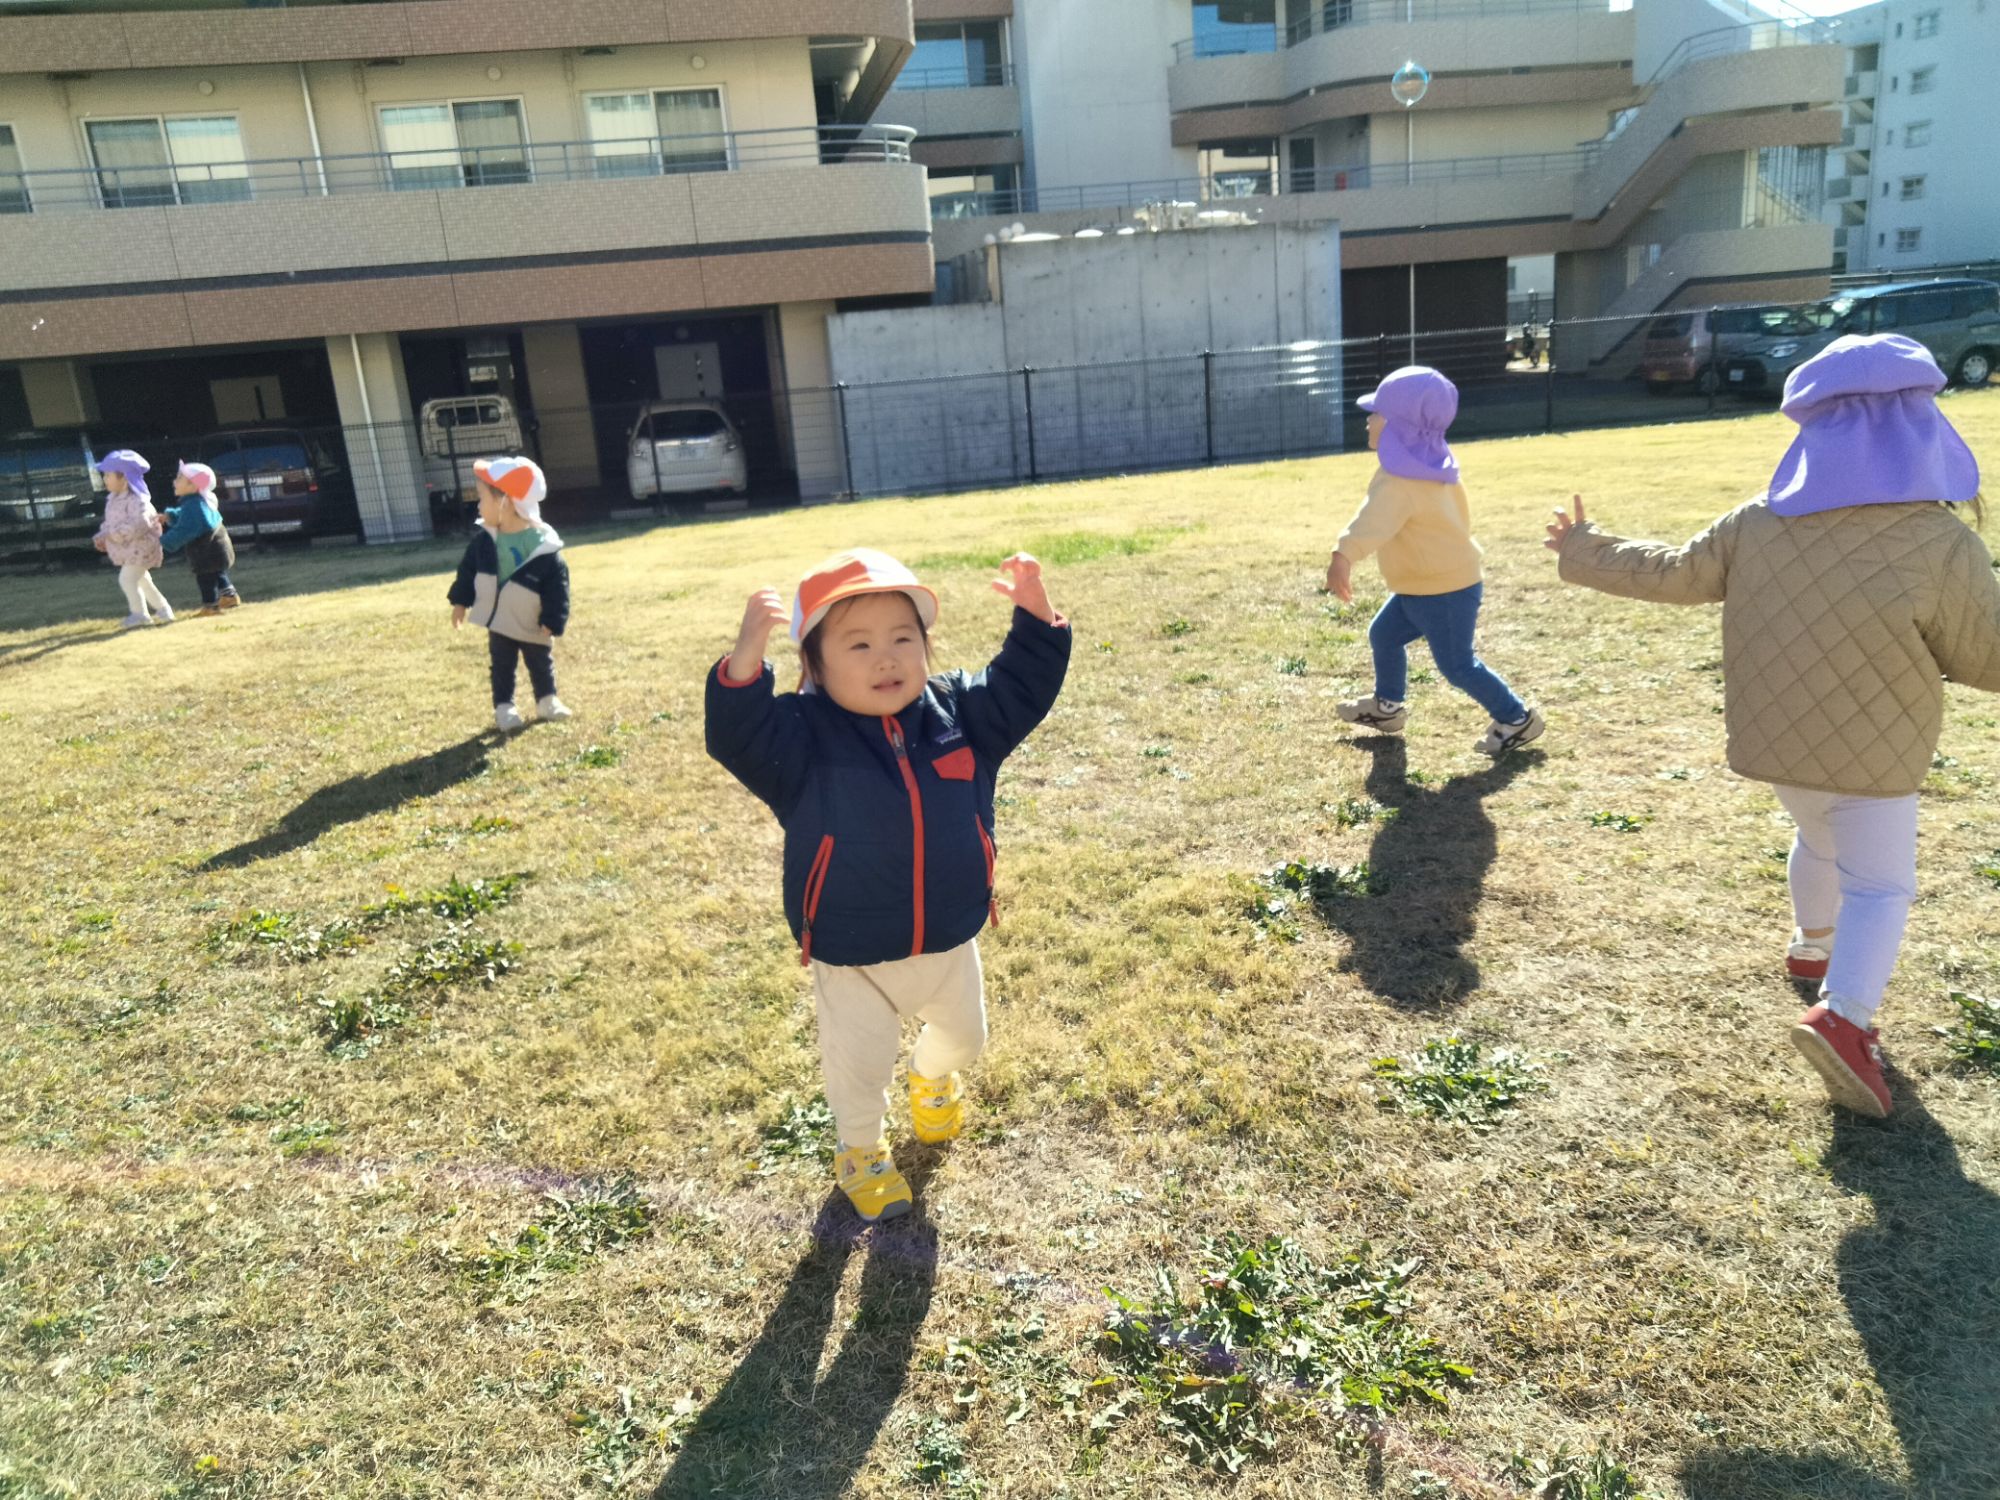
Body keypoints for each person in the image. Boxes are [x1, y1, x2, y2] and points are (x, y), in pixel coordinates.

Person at [1548, 334, 2000, 1119]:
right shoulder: (1940, 542)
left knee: (1818, 837)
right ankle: (1845, 1018)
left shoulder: (1758, 520)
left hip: (1778, 746)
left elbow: (1675, 571)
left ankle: (1811, 943)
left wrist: (1587, 548)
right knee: (1881, 884)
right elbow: (1987, 654)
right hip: (1877, 754)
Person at [706, 549, 1071, 1222]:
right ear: (815, 666)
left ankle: (929, 1078)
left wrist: (1037, 617)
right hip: (854, 951)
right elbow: (738, 735)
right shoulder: (801, 739)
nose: (887, 658)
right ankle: (860, 1151)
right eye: (860, 644)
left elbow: (1023, 685)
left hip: (949, 936)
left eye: (904, 638)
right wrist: (745, 661)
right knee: (860, 1068)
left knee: (966, 1039)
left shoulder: (960, 714)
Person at [1327, 366, 1544, 755]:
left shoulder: (1401, 481)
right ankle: (1387, 707)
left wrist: (1343, 554)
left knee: (1458, 665)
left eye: (1376, 414)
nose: (1368, 421)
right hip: (1424, 585)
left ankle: (1517, 718)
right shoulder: (1433, 463)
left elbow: (1373, 522)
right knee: (1384, 635)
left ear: (1399, 427)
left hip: (1443, 590)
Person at [446, 456, 571, 732]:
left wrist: (553, 619)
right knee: (502, 665)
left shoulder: (543, 545)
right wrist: (460, 602)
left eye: (482, 498)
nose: (478, 505)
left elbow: (557, 586)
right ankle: (504, 707)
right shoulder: (484, 542)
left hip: (532, 622)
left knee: (540, 661)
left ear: (506, 502)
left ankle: (547, 700)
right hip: (499, 620)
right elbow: (467, 571)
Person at [89, 449, 173, 629]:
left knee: (127, 580)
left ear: (125, 478)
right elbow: (111, 523)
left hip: (142, 548)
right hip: (130, 550)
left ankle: (140, 615)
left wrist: (113, 535)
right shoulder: (113, 499)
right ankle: (164, 610)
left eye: (109, 475)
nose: (105, 479)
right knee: (142, 581)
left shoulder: (138, 501)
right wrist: (103, 535)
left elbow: (140, 524)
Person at [158, 460, 241, 617]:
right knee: (217, 572)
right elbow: (187, 517)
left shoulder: (194, 505)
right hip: (217, 548)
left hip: (206, 552)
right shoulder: (198, 502)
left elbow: (186, 528)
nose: (175, 482)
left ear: (193, 486)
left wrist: (164, 541)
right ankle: (229, 596)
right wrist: (170, 516)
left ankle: (211, 607)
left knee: (205, 578)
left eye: (179, 478)